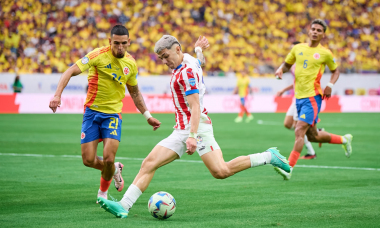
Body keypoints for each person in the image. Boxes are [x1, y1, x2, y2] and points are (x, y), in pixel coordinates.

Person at [97, 35, 291, 218]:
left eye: (166, 56)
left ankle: (269, 156)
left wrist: (192, 135)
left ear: (177, 49)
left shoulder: (186, 73)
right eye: (161, 58)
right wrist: (199, 50)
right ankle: (124, 206)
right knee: (149, 163)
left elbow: (195, 106)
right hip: (181, 129)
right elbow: (200, 62)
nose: (164, 62)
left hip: (197, 127)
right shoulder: (188, 59)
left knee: (221, 171)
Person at [49, 25, 161, 202]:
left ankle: (102, 193)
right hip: (92, 113)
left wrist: (148, 116)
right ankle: (115, 169)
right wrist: (57, 95)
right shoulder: (97, 55)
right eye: (116, 43)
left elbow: (135, 92)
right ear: (110, 41)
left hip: (113, 115)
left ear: (129, 42)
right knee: (88, 160)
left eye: (124, 43)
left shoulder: (130, 64)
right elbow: (70, 71)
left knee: (108, 158)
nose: (120, 47)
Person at [274, 19, 353, 180]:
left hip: (313, 97)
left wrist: (330, 84)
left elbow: (335, 71)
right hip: (298, 98)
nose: (315, 32)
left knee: (299, 130)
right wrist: (281, 69)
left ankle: (288, 168)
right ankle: (344, 139)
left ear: (323, 34)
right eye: (313, 29)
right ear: (309, 31)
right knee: (313, 136)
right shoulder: (298, 48)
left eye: (319, 30)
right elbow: (288, 64)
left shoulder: (325, 53)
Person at [277, 41, 317, 159]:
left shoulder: (303, 64)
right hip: (296, 97)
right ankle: (314, 131)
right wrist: (284, 90)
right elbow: (296, 82)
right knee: (287, 124)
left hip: (302, 98)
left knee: (296, 126)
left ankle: (311, 152)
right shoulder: (293, 64)